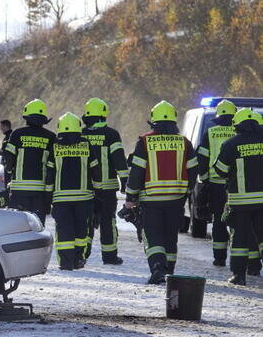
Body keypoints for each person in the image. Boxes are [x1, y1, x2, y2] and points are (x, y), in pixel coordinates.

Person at [125, 100, 198, 284]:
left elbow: (137, 172)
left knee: (153, 235)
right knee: (170, 236)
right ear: (174, 121)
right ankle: (169, 271)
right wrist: (187, 190)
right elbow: (193, 170)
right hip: (176, 200)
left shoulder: (144, 141)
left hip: (151, 200)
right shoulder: (184, 142)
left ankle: (158, 267)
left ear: (153, 121)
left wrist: (130, 197)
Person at [213, 108, 263, 285]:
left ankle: (238, 276)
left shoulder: (230, 144)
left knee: (240, 240)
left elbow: (219, 171)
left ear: (237, 125)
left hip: (240, 202)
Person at [45, 112, 101, 270]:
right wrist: (99, 192)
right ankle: (78, 260)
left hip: (61, 199)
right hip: (84, 198)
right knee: (81, 230)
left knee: (63, 230)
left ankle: (65, 262)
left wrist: (48, 196)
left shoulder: (54, 146)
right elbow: (95, 170)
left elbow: (49, 174)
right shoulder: (86, 144)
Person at [81, 98, 129, 265]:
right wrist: (125, 181)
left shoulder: (81, 134)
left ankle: (82, 256)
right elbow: (119, 160)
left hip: (86, 189)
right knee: (108, 222)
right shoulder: (111, 134)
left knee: (86, 222)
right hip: (107, 189)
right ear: (104, 114)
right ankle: (109, 257)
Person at [196, 99, 236, 266]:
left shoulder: (210, 133)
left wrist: (204, 179)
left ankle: (219, 258)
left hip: (216, 184)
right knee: (237, 221)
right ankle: (239, 259)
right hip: (237, 185)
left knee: (219, 221)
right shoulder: (240, 133)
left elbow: (202, 159)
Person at [3, 99, 56, 224]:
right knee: (37, 226)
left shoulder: (17, 134)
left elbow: (9, 158)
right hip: (40, 191)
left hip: (19, 191)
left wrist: (9, 172)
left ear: (26, 117)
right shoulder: (50, 137)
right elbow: (52, 165)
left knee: (17, 227)